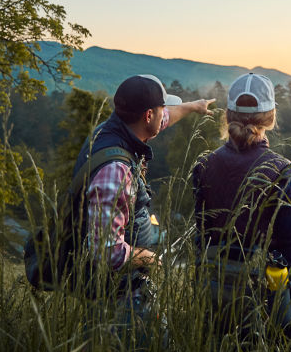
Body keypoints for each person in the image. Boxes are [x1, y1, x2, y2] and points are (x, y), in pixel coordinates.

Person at [192, 72, 291, 345]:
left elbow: (201, 239)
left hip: (211, 305)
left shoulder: (202, 166)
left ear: (228, 115)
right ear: (270, 118)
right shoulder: (283, 171)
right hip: (269, 309)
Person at [73, 74, 214, 304]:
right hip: (117, 292)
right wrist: (149, 259)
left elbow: (165, 118)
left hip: (120, 284)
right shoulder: (116, 171)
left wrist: (194, 107)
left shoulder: (112, 129)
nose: (164, 114)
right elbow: (106, 252)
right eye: (161, 109)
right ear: (148, 115)